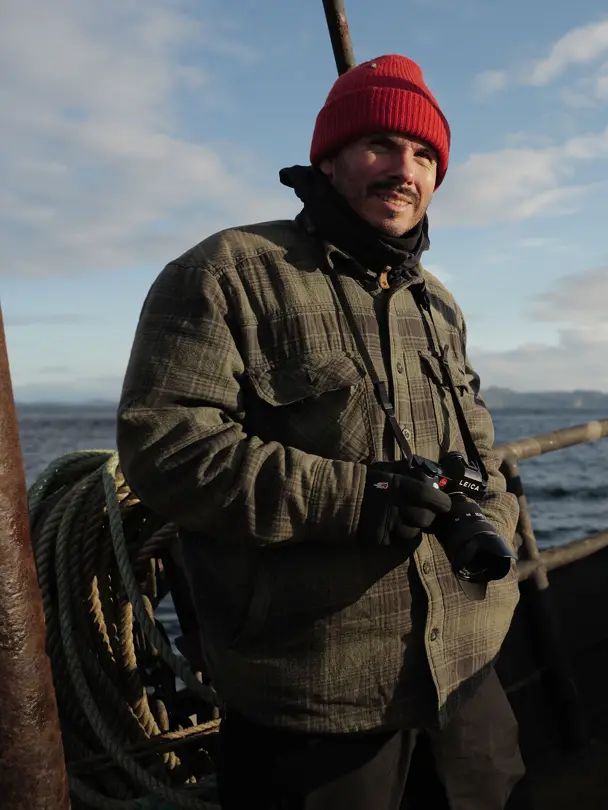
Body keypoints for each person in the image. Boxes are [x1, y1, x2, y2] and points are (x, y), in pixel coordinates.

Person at [115, 54, 527, 809]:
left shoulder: (437, 304)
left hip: (468, 672)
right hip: (316, 692)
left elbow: (483, 448)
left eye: (425, 154)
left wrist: (491, 516)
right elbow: (166, 447)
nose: (405, 169)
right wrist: (359, 500)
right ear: (328, 159)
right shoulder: (229, 271)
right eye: (380, 144)